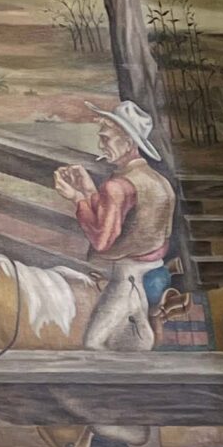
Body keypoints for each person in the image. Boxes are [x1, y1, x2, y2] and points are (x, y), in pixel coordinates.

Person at [53, 100, 177, 351]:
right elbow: (131, 222)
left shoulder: (117, 186)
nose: (101, 144)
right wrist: (89, 190)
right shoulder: (158, 181)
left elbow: (102, 240)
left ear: (129, 142)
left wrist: (78, 199)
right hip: (154, 272)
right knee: (134, 342)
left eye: (107, 138)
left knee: (92, 344)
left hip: (127, 280)